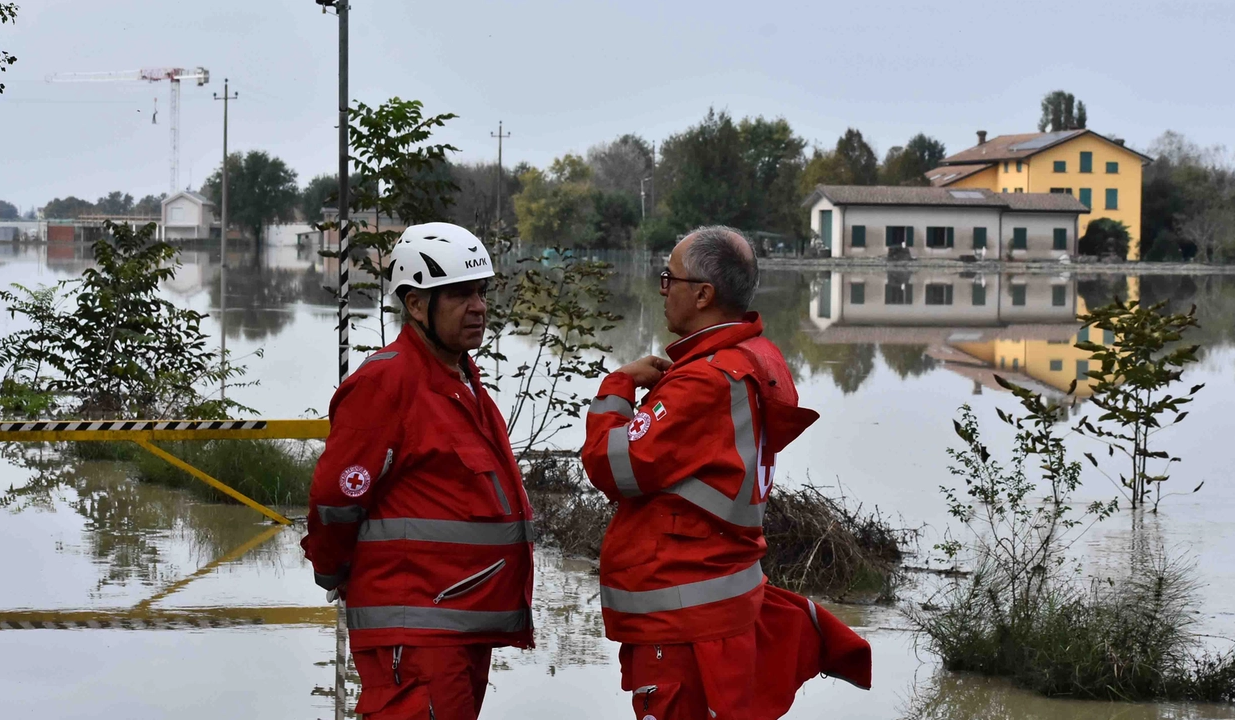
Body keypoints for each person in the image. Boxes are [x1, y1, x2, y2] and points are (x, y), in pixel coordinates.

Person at [581, 226, 871, 720]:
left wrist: (619, 385)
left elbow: (610, 466)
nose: (662, 289)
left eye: (668, 278)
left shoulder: (703, 381)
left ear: (703, 294)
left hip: (683, 619)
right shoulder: (753, 358)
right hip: (721, 604)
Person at [302, 222, 534, 720]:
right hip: (416, 629)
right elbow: (335, 498)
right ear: (414, 305)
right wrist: (333, 571)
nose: (478, 307)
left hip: (458, 626)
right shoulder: (387, 384)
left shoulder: (459, 378)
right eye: (458, 295)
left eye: (480, 292)